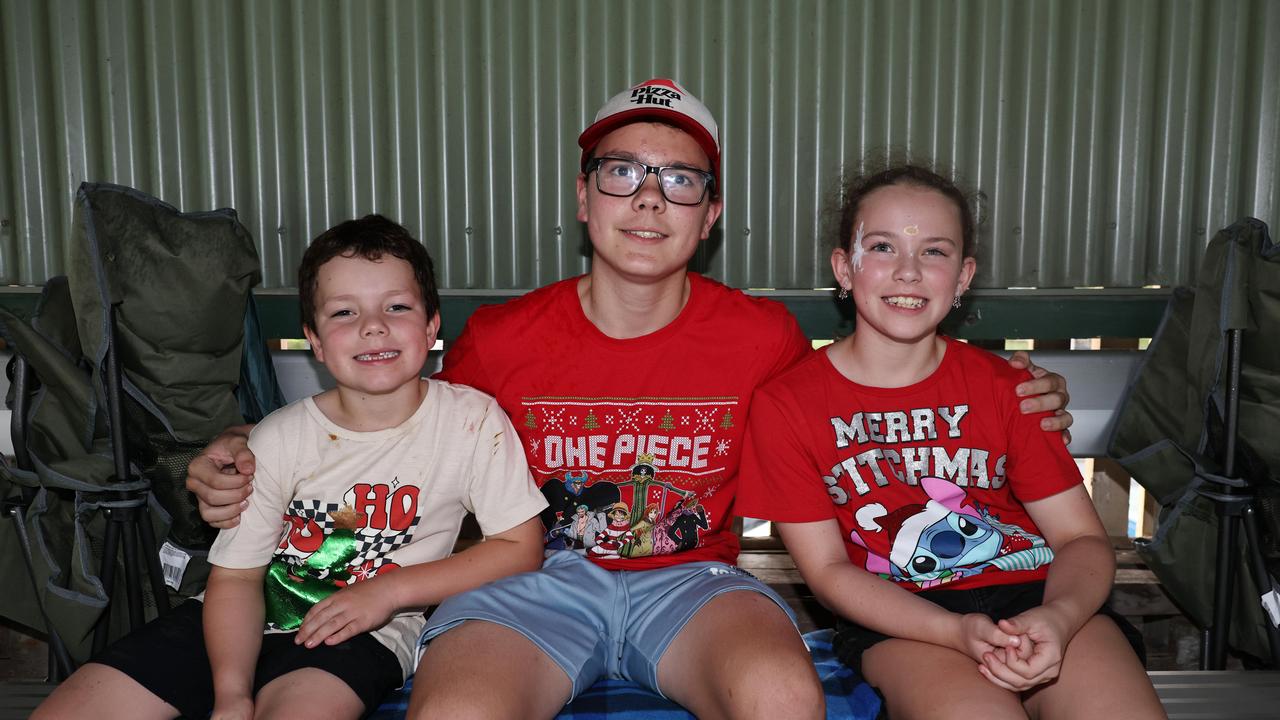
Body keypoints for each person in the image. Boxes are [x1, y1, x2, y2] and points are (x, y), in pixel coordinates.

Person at [186, 80, 1074, 719]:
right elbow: (374, 411)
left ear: (710, 214)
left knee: (781, 697)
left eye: (680, 180)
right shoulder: (502, 338)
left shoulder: (761, 338)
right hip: (530, 586)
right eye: (622, 173)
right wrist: (244, 445)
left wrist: (1018, 389)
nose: (650, 199)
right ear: (584, 197)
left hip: (693, 585)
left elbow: (867, 386)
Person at [34, 215, 547, 720]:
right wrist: (231, 693)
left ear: (432, 324)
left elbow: (518, 546)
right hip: (234, 619)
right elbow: (236, 580)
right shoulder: (279, 437)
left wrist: (389, 592)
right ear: (315, 340)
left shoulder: (472, 421)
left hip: (367, 631)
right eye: (344, 313)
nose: (373, 326)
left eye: (397, 306)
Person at [736, 164, 1164, 719]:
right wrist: (955, 630)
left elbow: (1080, 537)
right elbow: (829, 571)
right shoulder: (787, 405)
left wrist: (1058, 617)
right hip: (904, 617)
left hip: (1038, 599)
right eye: (883, 247)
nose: (909, 272)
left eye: (934, 252)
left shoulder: (1012, 389)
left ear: (963, 277)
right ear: (844, 267)